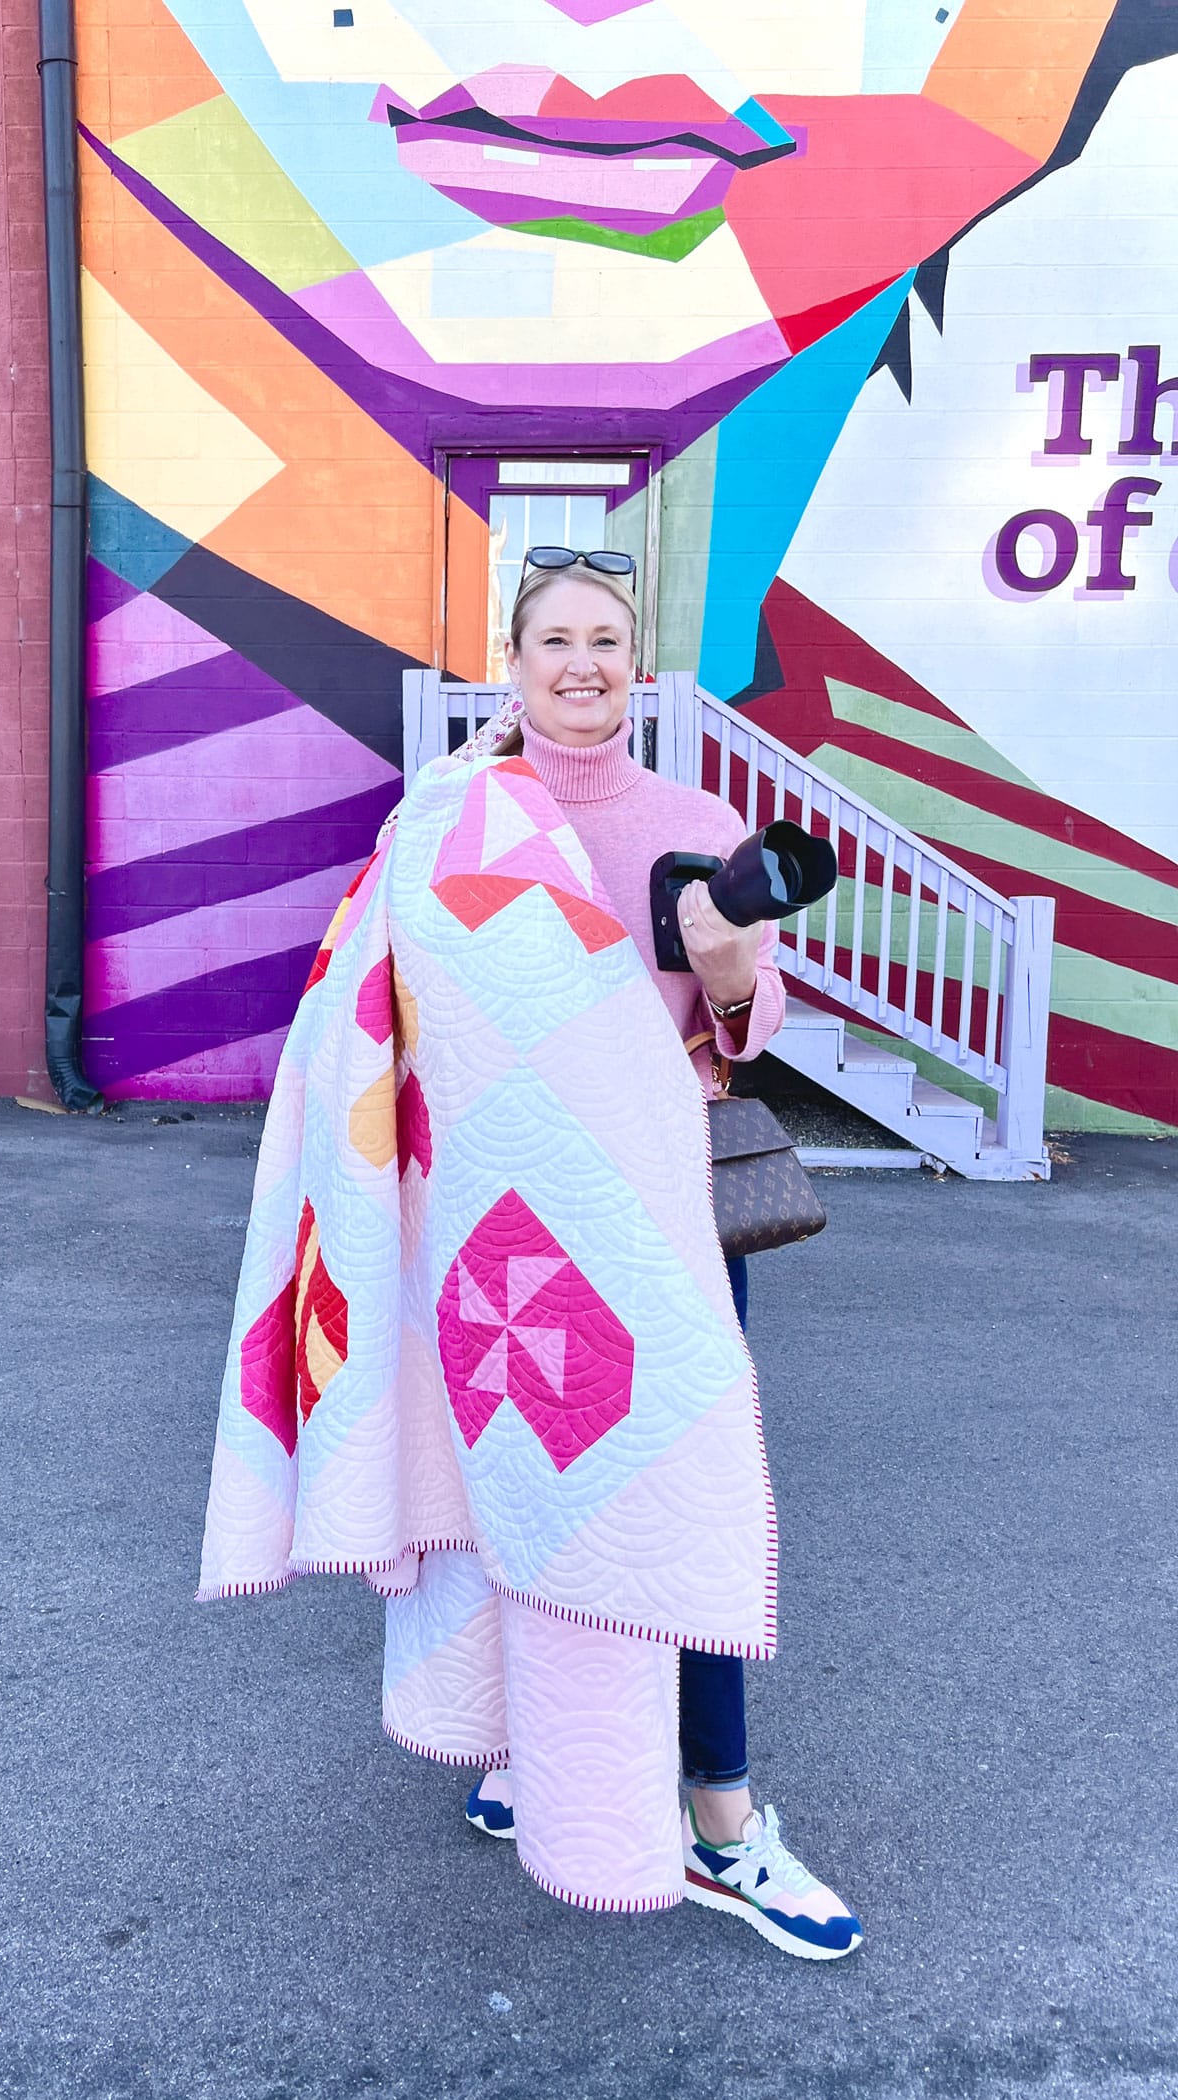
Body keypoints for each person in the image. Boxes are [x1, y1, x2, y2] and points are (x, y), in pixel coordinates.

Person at [456, 550, 860, 1958]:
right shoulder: (457, 819)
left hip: (667, 1214)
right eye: (555, 639)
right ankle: (536, 1744)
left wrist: (727, 957)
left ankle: (723, 1823)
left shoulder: (695, 817)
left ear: (640, 668)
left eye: (607, 641)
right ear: (511, 663)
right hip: (508, 1229)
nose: (582, 663)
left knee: (690, 1507)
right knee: (528, 1490)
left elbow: (751, 1033)